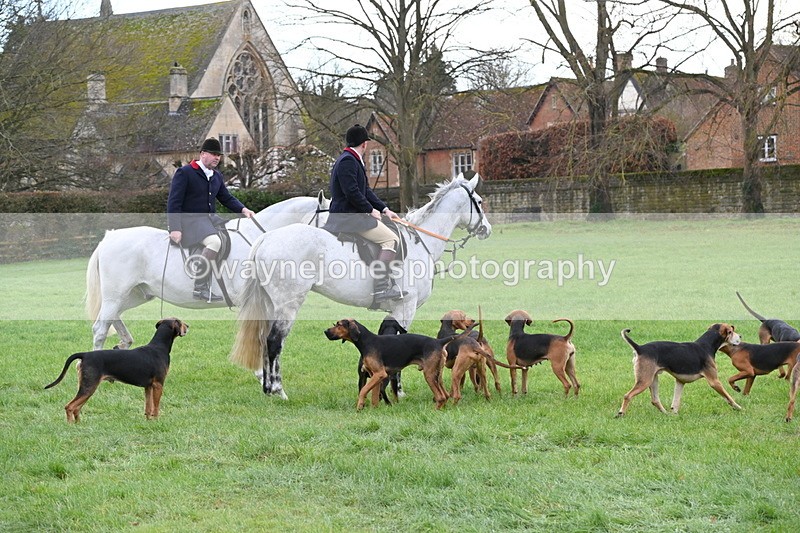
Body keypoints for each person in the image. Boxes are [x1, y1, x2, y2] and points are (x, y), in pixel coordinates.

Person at [325, 124, 405, 308]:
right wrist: (370, 210)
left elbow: (365, 191)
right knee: (391, 239)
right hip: (348, 217)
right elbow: (352, 191)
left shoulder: (352, 159)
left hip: (352, 214)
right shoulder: (348, 161)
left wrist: (384, 209)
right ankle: (380, 289)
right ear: (364, 144)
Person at [167, 137, 255, 302]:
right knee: (214, 242)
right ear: (202, 154)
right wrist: (175, 228)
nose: (217, 158)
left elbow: (226, 198)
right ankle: (200, 287)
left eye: (219, 155)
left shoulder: (216, 176)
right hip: (190, 222)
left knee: (231, 236)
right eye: (213, 154)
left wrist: (243, 209)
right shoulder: (185, 172)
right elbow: (174, 202)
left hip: (209, 220)